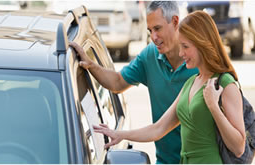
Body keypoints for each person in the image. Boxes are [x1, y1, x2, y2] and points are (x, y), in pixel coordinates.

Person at [93, 10, 246, 164]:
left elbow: (239, 147)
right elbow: (158, 129)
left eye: (185, 46)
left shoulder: (225, 83)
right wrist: (120, 134)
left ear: (202, 44)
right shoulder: (191, 82)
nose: (181, 53)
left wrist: (214, 107)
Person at [70, 1, 198, 164]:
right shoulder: (149, 56)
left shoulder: (199, 59)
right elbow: (117, 82)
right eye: (150, 31)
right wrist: (91, 66)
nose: (153, 37)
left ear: (174, 21)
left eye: (157, 29)